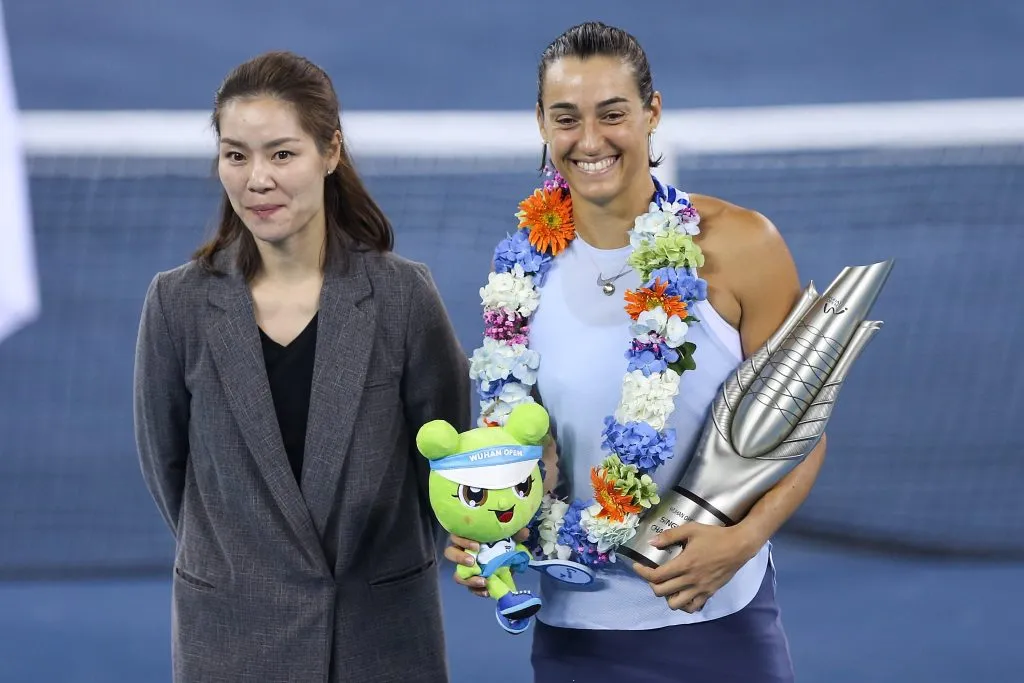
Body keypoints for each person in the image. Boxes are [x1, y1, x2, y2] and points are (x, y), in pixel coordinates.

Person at [447, 22, 827, 682]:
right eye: (566, 118)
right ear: (541, 120)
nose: (590, 141)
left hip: (715, 626)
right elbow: (523, 445)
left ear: (652, 112)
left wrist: (739, 542)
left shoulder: (742, 245)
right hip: (574, 635)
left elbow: (805, 429)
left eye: (612, 114)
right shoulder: (521, 270)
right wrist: (491, 526)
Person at [133, 51, 469, 683]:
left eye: (281, 154)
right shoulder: (175, 305)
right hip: (230, 644)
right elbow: (169, 474)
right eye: (236, 155)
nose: (257, 179)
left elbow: (445, 468)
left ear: (330, 151)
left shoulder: (403, 297)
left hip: (382, 643)